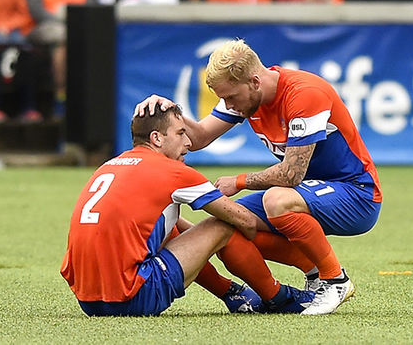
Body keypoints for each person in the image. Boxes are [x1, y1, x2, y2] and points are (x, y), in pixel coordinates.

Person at [134, 37, 383, 315]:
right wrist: (170, 110)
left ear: (254, 81)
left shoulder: (304, 94)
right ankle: (309, 277)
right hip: (305, 192)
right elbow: (201, 136)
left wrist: (238, 181)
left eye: (230, 97)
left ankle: (335, 280)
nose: (229, 104)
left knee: (278, 200)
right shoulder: (246, 96)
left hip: (357, 194)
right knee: (228, 220)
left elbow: (291, 174)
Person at [61, 102, 315, 317]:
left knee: (171, 230)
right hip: (133, 296)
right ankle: (278, 296)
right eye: (181, 133)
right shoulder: (173, 171)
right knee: (223, 224)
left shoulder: (110, 165)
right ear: (157, 138)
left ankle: (234, 295)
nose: (189, 141)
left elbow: (168, 229)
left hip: (87, 301)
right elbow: (244, 221)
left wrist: (204, 243)